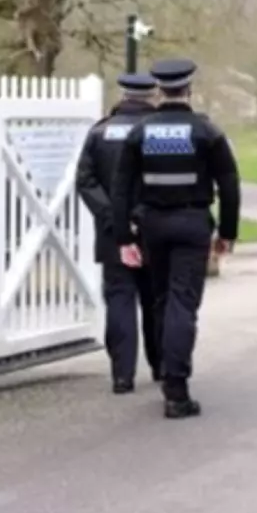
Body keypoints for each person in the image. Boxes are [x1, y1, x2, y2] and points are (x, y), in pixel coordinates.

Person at [110, 58, 240, 420]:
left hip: (152, 225)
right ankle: (176, 390)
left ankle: (166, 370)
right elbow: (229, 184)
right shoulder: (206, 132)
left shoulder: (141, 132)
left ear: (160, 90)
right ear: (188, 89)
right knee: (184, 303)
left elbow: (122, 190)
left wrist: (124, 237)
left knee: (162, 300)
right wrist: (227, 233)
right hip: (193, 223)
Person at [75, 72, 162, 395]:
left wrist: (114, 216)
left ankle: (122, 375)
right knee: (155, 298)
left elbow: (85, 180)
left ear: (123, 94)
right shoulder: (160, 132)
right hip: (155, 225)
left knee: (120, 299)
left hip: (113, 232)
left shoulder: (99, 132)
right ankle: (161, 366)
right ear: (152, 95)